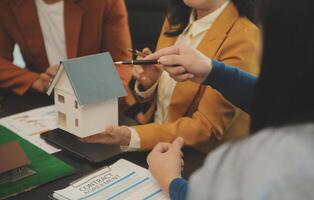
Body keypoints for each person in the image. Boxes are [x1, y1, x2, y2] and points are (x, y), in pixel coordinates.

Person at [145, 0, 314, 198]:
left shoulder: (260, 165)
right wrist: (214, 72)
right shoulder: (175, 20)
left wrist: (171, 180)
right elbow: (275, 99)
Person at [83, 0, 260, 153]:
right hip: (154, 146)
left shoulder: (244, 37)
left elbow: (206, 129)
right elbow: (166, 104)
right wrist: (151, 83)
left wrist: (131, 135)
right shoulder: (176, 18)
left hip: (199, 159)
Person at [0, 0, 132, 100]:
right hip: (42, 101)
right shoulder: (7, 4)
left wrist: (81, 85)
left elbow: (121, 64)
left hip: (101, 102)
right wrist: (36, 81)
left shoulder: (105, 2)